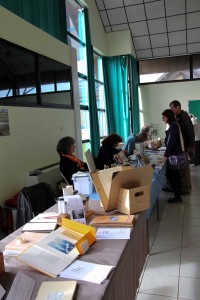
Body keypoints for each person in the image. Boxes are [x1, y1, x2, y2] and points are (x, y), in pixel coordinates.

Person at [169, 100, 195, 193]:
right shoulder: (180, 116)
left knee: (184, 167)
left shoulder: (184, 117)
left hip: (186, 146)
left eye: (172, 108)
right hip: (185, 145)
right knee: (184, 166)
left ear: (178, 107)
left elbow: (190, 132)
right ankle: (186, 186)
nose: (171, 110)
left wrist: (188, 146)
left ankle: (186, 188)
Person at [162, 109, 183, 203]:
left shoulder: (174, 126)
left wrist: (166, 155)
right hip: (175, 154)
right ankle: (177, 194)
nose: (163, 119)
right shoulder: (174, 125)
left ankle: (177, 196)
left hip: (174, 155)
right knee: (174, 175)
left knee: (172, 175)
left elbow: (171, 142)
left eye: (164, 117)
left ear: (168, 117)